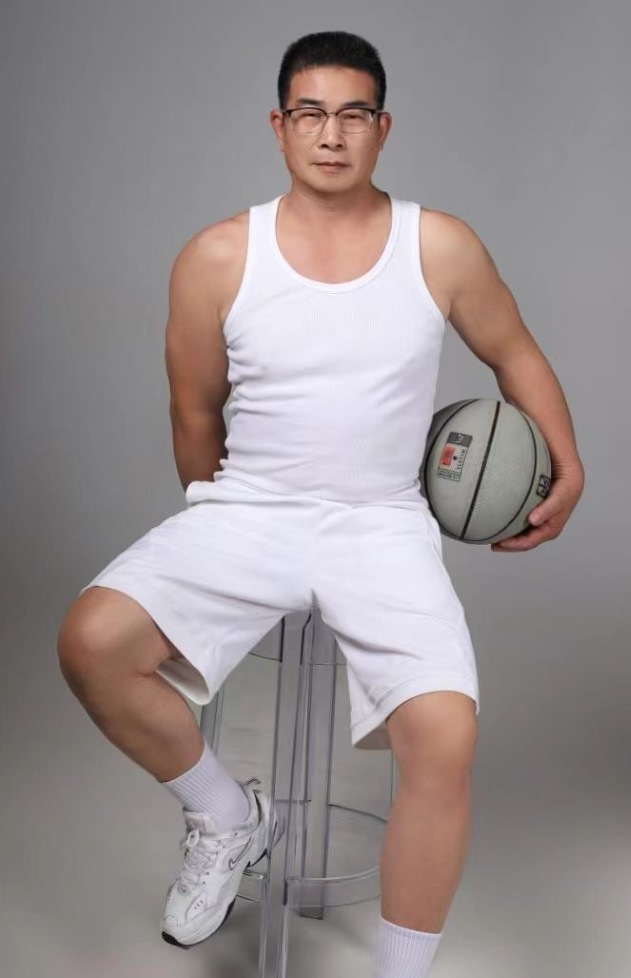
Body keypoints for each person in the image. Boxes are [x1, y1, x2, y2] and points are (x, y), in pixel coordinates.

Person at [57, 29, 585, 978]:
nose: (331, 135)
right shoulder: (218, 255)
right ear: (279, 125)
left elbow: (515, 355)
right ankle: (228, 818)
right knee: (92, 641)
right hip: (249, 511)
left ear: (383, 128)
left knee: (446, 736)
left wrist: (568, 466)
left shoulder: (439, 245)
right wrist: (218, 536)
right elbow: (194, 413)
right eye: (310, 113)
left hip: (382, 525)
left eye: (352, 115)